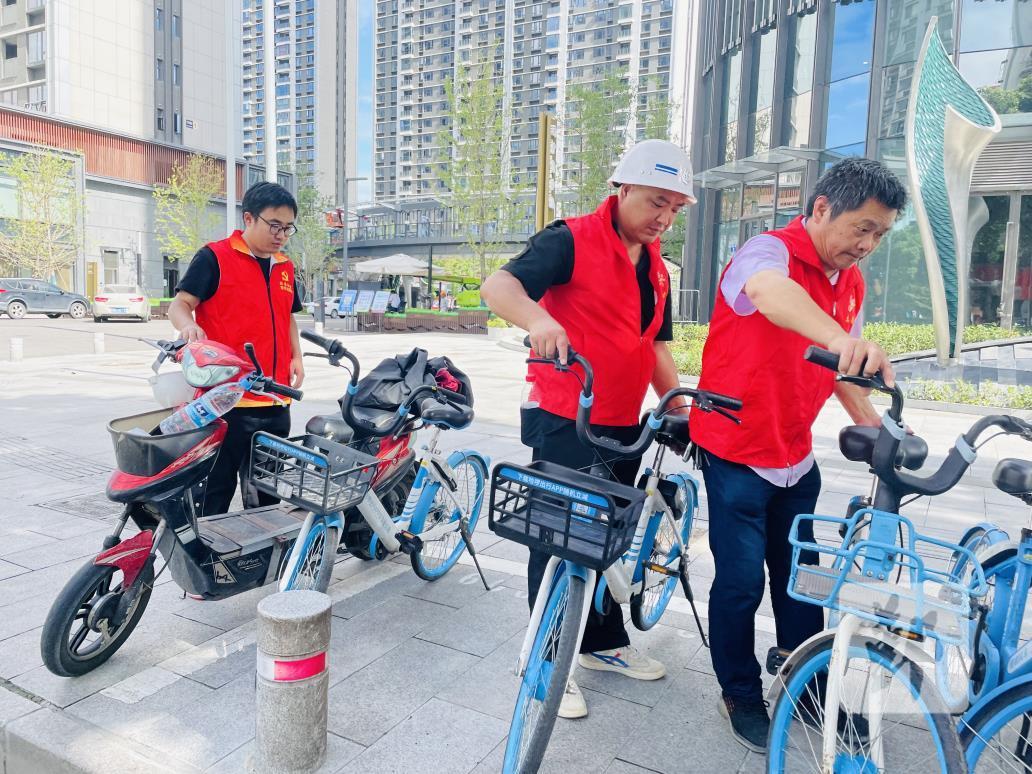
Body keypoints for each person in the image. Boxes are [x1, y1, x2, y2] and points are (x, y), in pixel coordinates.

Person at [689, 158, 907, 752]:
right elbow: (768, 293)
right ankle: (739, 692)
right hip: (735, 449)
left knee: (801, 581)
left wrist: (881, 432)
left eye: (880, 234)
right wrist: (839, 338)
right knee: (740, 582)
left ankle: (805, 686)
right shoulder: (767, 252)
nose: (868, 245)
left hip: (795, 455)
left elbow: (842, 373)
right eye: (862, 228)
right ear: (821, 208)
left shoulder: (850, 282)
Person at [481, 139, 695, 720]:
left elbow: (654, 346)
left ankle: (601, 643)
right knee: (557, 537)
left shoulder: (657, 270)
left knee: (609, 535)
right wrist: (539, 319)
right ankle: (547, 659)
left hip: (624, 421)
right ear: (622, 189)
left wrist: (675, 407)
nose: (664, 218)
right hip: (564, 414)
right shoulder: (570, 239)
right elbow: (498, 287)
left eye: (675, 208)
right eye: (656, 202)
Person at [168, 181, 305, 516]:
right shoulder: (215, 257)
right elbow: (180, 304)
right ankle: (207, 547)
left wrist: (297, 357)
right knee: (215, 491)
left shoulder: (284, 266)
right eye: (274, 225)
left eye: (288, 228)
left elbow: (287, 316)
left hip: (275, 399)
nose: (281, 235)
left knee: (266, 493)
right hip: (225, 401)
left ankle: (261, 548)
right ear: (249, 218)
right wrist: (188, 326)